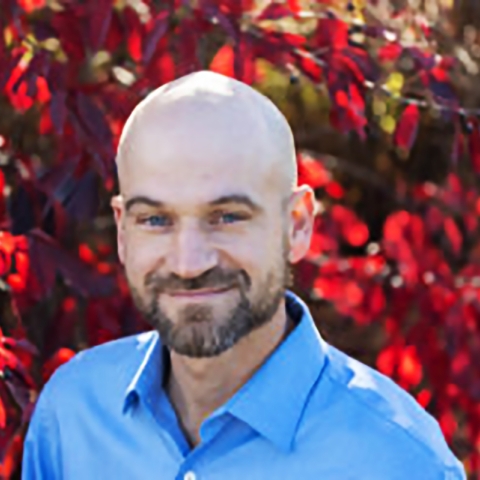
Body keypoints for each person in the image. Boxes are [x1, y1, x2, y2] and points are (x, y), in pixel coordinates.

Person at [22, 70, 466, 480]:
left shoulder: (398, 461)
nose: (188, 263)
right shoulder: (73, 414)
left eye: (227, 217)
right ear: (122, 230)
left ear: (296, 224)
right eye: (156, 220)